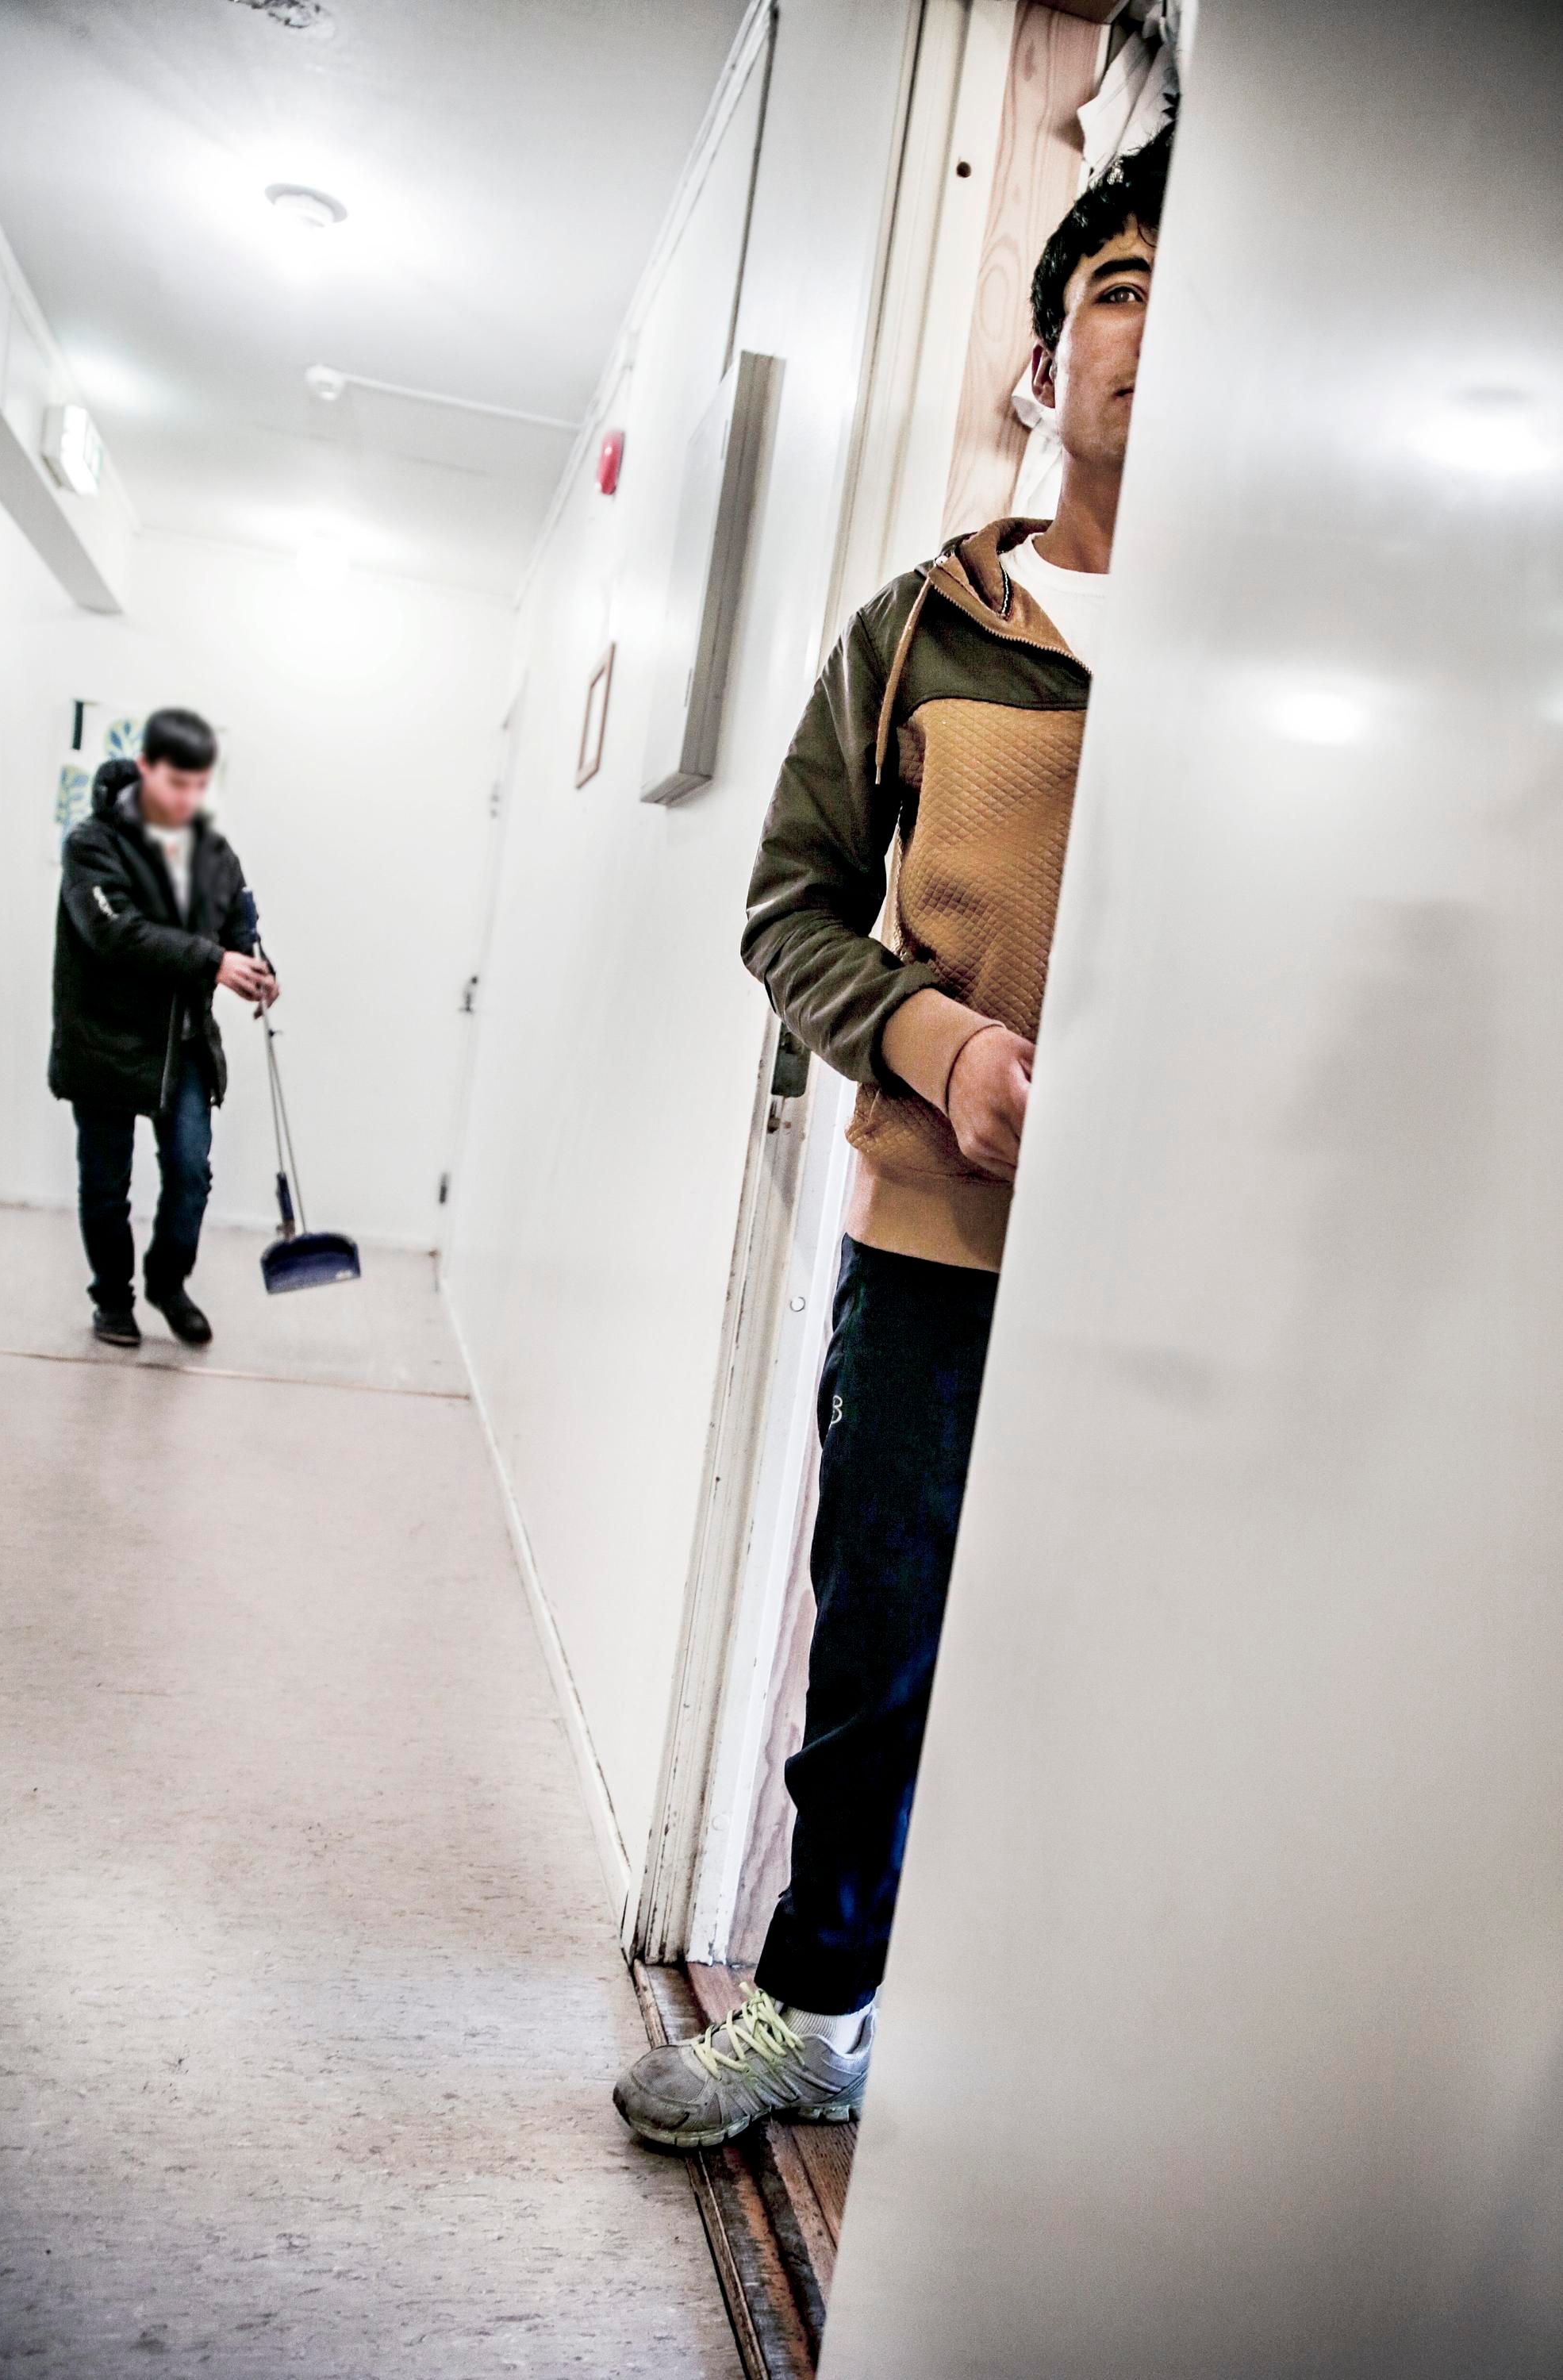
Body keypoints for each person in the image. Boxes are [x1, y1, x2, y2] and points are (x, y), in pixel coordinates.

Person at [614, 127, 1172, 2150]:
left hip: (1195, 1280)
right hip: (941, 1247)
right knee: (883, 1644)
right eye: (1118, 288)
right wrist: (933, 1042)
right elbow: (787, 905)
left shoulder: (1299, 659)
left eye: (1197, 295)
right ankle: (818, 2004)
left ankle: (1080, 2065)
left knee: (1131, 1659)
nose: (1155, 329)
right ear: (1045, 356)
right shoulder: (926, 624)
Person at [48, 706, 276, 1349]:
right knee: (106, 1185)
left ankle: (168, 1284)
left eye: (199, 786)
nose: (187, 798)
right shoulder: (91, 844)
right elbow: (114, 932)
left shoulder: (214, 854)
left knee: (190, 1174)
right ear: (145, 767)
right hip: (105, 1042)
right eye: (177, 783)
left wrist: (257, 968)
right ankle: (112, 1299)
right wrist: (212, 960)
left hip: (184, 1044)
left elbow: (239, 926)